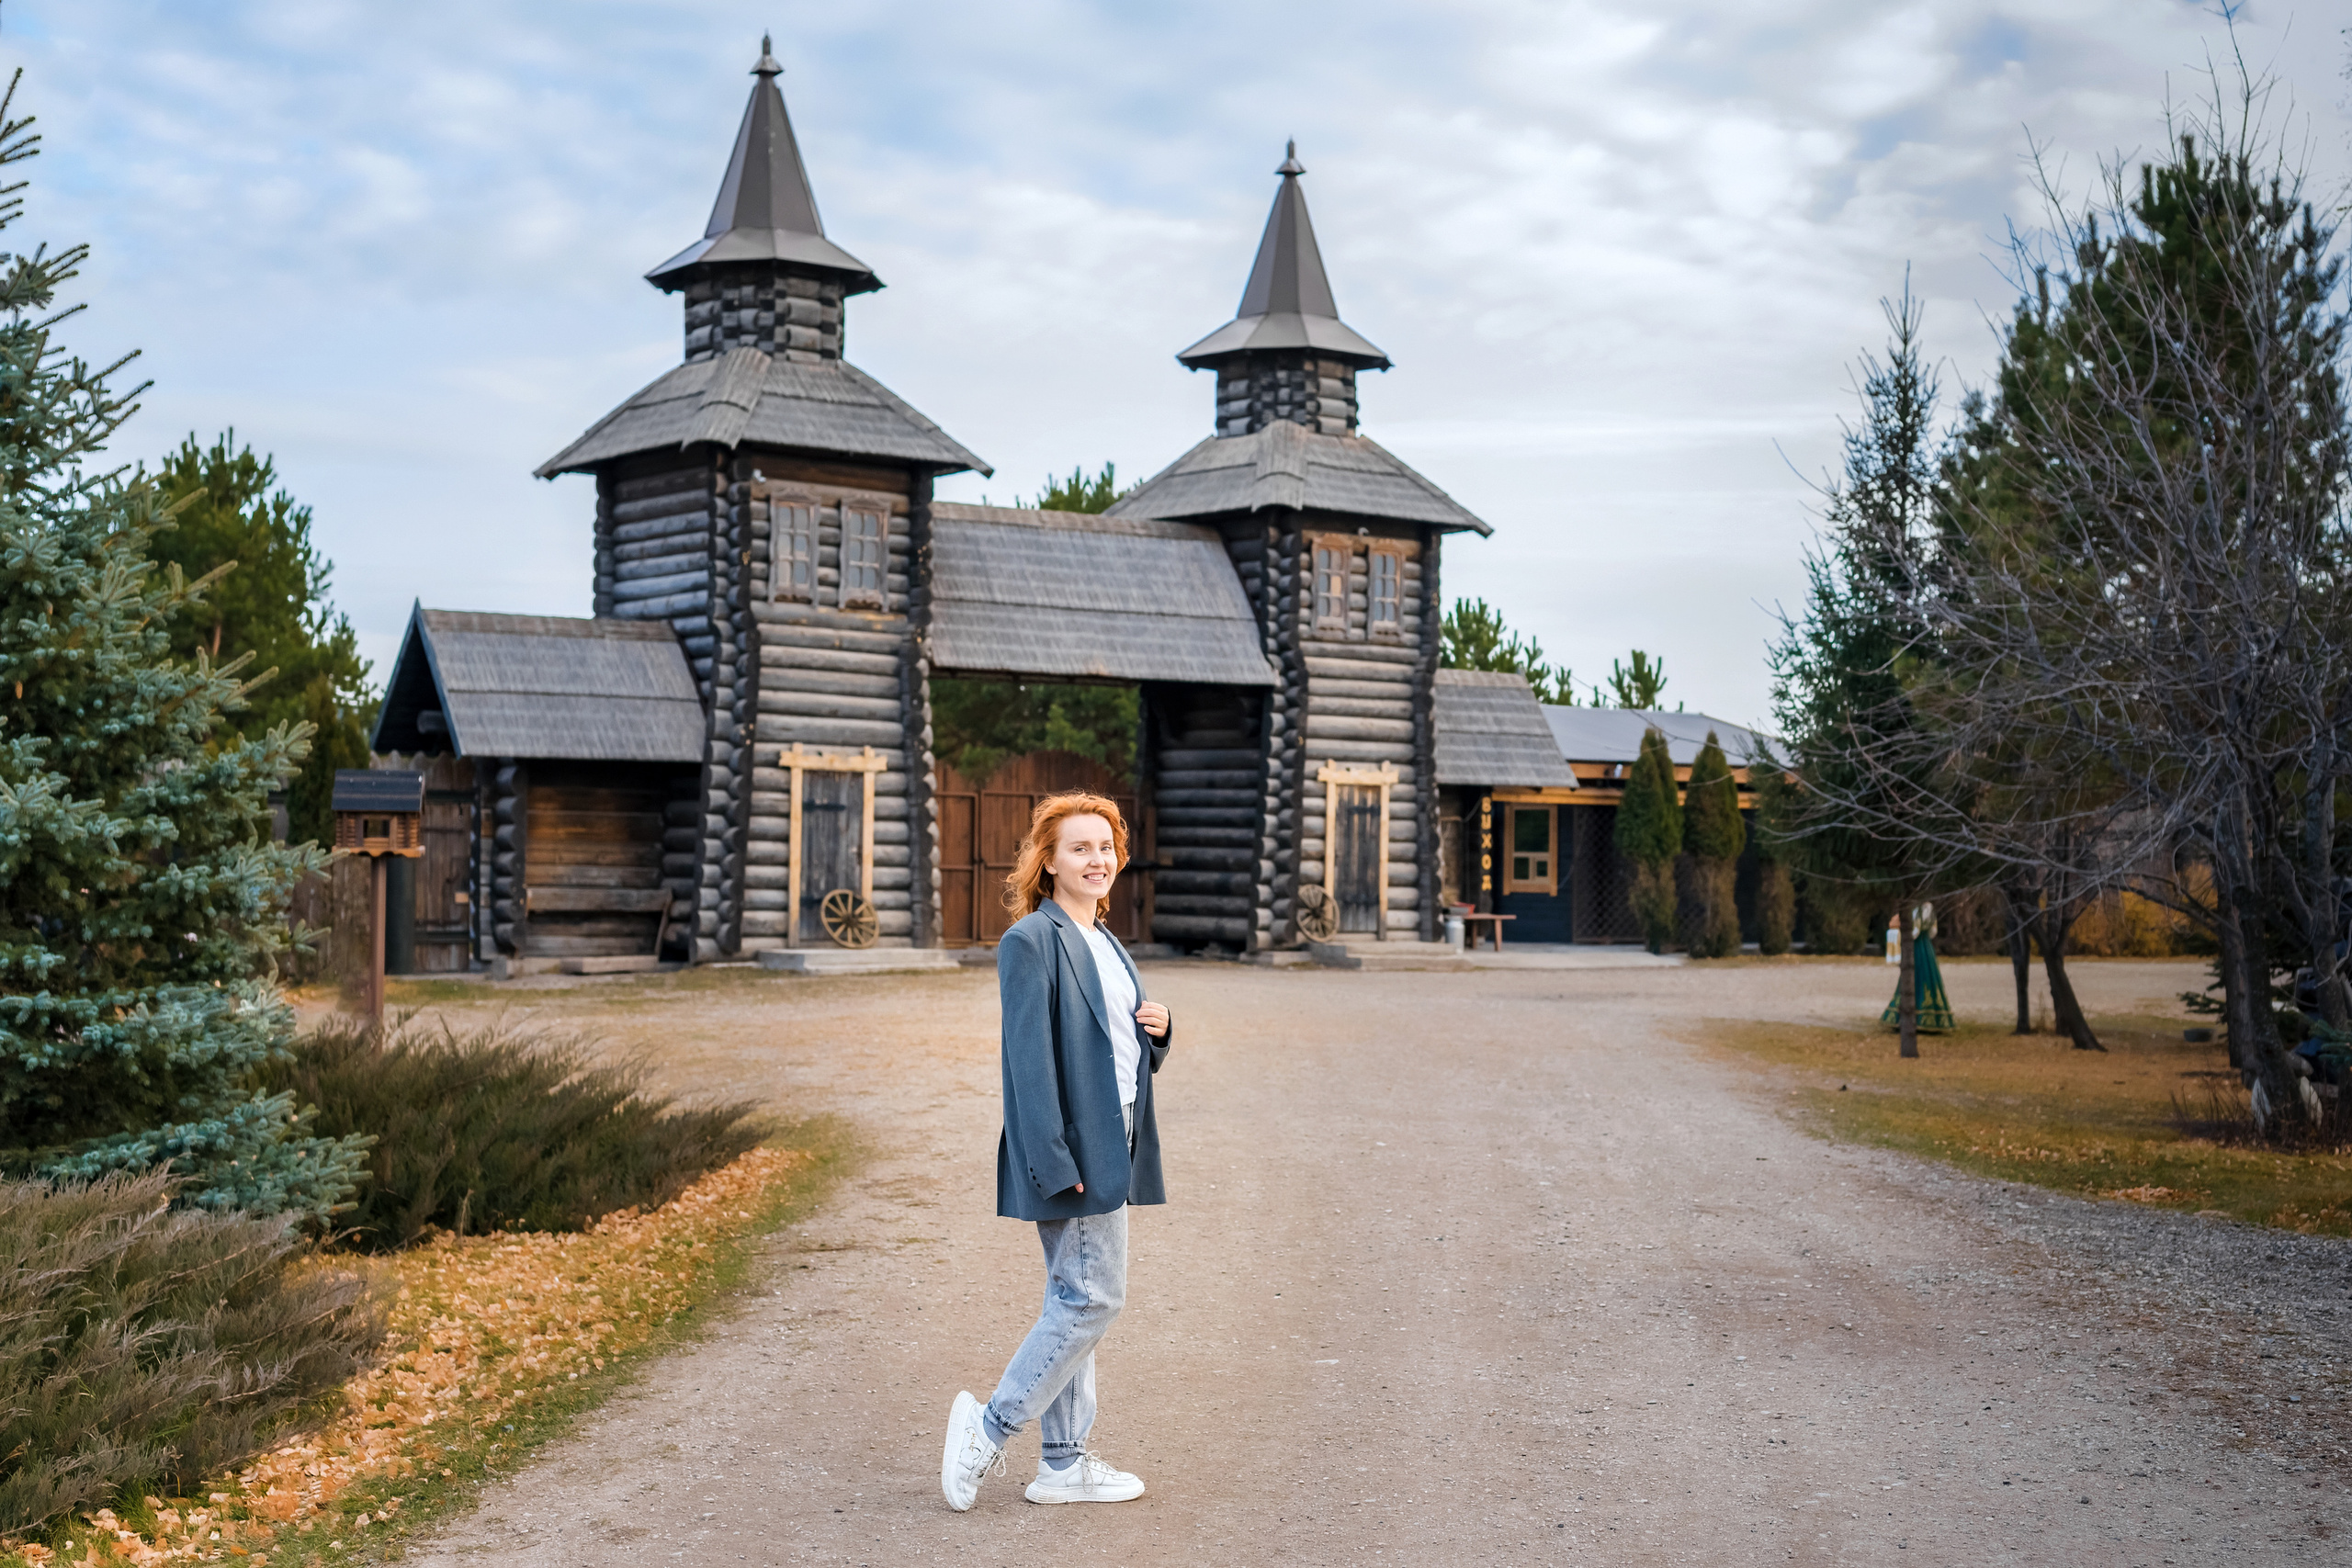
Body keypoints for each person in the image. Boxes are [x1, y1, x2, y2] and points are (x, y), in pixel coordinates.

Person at [941, 792, 1173, 1511]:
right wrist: (1052, 1161)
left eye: (1105, 847)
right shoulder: (1030, 940)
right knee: (1094, 1296)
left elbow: (1113, 1036)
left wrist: (1159, 1031)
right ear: (1048, 861)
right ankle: (988, 1427)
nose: (1097, 859)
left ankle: (1063, 1463)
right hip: (1073, 1146)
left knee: (1074, 1300)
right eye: (1080, 847)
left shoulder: (1105, 937)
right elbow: (1028, 1065)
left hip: (1120, 1129)